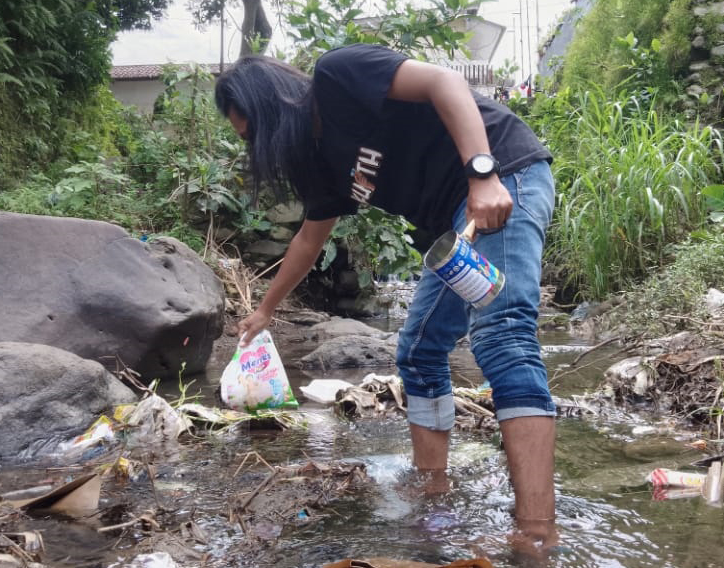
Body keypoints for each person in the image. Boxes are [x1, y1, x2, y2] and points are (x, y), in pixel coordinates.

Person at [214, 44, 558, 547]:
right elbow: (309, 239)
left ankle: (537, 532)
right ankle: (433, 491)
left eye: (254, 133)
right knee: (417, 352)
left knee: (503, 336)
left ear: (272, 105)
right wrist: (264, 311)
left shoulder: (338, 77)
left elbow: (445, 83)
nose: (257, 149)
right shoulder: (320, 165)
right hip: (454, 229)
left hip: (504, 177)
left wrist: (482, 173)